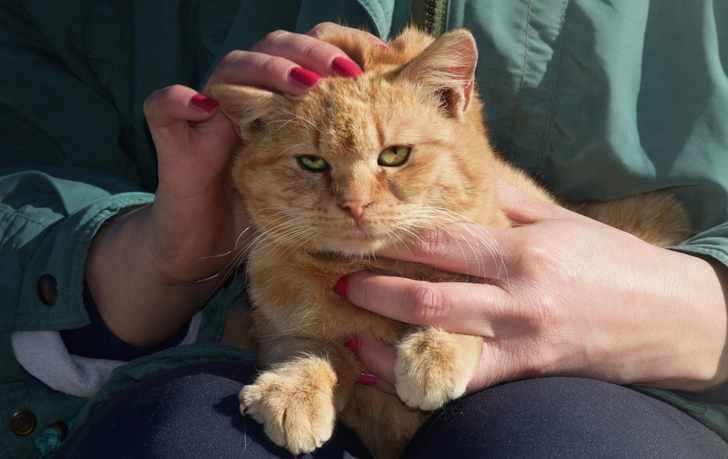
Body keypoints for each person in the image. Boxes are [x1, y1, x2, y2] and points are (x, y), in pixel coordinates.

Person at [2, 0, 728, 457]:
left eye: (391, 158)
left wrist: (706, 306)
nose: (355, 198)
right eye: (317, 163)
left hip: (643, 381)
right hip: (196, 352)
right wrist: (151, 258)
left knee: (559, 440)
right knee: (193, 437)